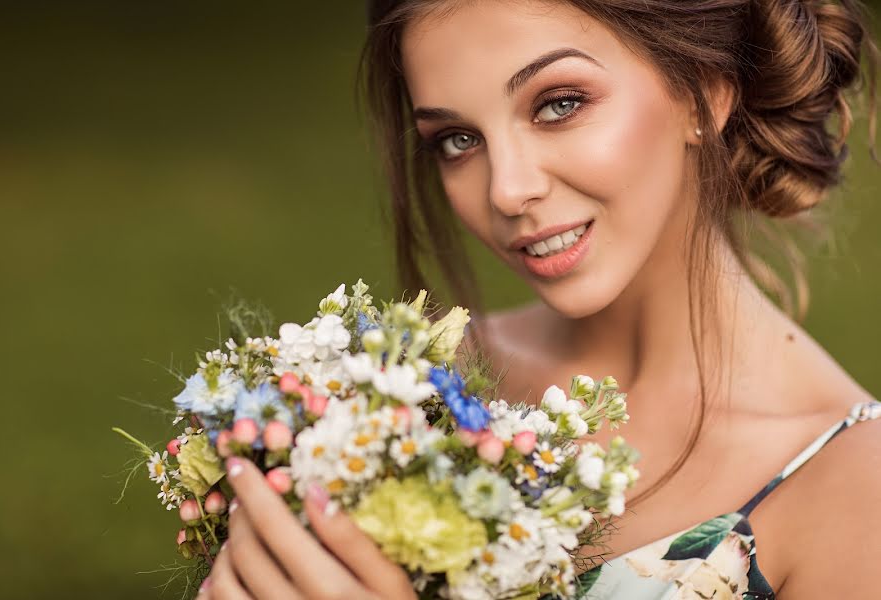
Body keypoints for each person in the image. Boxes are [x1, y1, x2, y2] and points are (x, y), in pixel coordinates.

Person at [198, 1, 881, 598]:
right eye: (457, 140)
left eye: (558, 104)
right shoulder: (407, 396)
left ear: (708, 88)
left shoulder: (852, 490)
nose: (505, 190)